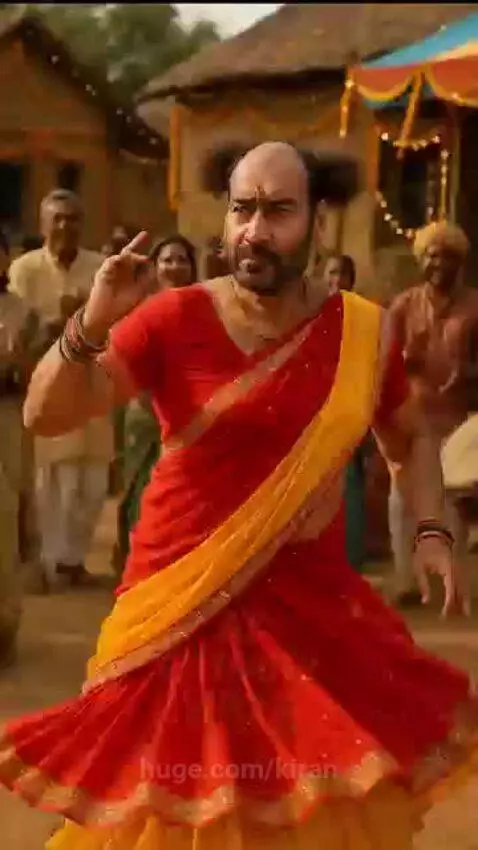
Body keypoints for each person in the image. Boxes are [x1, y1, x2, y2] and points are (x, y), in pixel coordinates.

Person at [0, 142, 475, 850]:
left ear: (318, 224)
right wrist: (91, 324)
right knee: (168, 818)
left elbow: (409, 442)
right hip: (177, 616)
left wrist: (432, 531)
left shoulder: (362, 333)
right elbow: (46, 414)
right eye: (242, 209)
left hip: (311, 626)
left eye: (278, 211)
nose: (255, 230)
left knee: (310, 820)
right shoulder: (173, 318)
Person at [8, 189, 114, 588]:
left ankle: (74, 560)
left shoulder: (99, 268)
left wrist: (87, 321)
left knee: (92, 479)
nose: (66, 226)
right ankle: (52, 562)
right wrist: (63, 324)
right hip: (46, 387)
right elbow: (18, 328)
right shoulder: (24, 270)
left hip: (92, 385)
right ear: (43, 224)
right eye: (58, 218)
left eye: (73, 218)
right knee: (52, 479)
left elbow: (115, 320)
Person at [388, 221, 478, 609]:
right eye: (431, 256)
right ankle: (407, 581)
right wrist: (403, 360)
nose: (438, 263)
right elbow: (380, 360)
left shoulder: (474, 306)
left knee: (454, 501)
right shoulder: (404, 306)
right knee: (403, 497)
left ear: (461, 262)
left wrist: (469, 372)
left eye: (447, 257)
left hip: (458, 418)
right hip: (410, 416)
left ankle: (453, 584)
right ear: (420, 260)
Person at [117, 235, 198, 570]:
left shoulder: (206, 310)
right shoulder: (139, 311)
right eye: (167, 260)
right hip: (145, 416)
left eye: (182, 260)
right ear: (153, 267)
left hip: (191, 421)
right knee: (141, 494)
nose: (175, 267)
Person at [0, 230, 40, 662]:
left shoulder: (22, 312)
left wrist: (15, 364)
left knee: (6, 519)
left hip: (7, 422)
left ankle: (4, 627)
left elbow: (33, 374)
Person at [324, 253, 368, 571]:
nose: (337, 279)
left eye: (343, 273)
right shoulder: (308, 315)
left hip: (351, 409)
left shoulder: (363, 318)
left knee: (350, 483)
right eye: (332, 272)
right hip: (315, 414)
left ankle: (350, 561)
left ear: (352, 279)